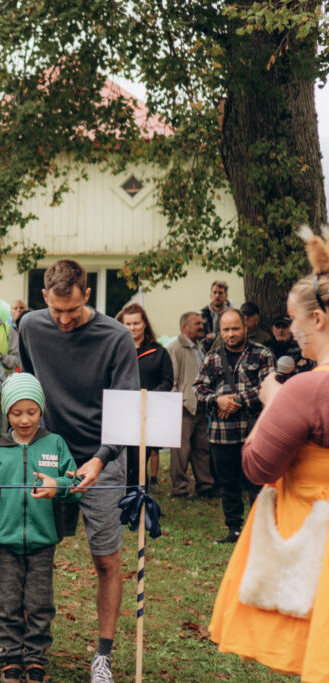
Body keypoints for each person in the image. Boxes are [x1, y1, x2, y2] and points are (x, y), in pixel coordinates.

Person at [208, 226, 329, 682]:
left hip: (315, 538)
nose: (291, 330)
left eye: (294, 319)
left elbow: (257, 466)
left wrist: (274, 404)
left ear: (318, 319)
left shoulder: (306, 388)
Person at [12, 258, 139, 683]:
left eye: (73, 310)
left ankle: (102, 654)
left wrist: (100, 459)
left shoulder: (117, 337)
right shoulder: (30, 326)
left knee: (105, 559)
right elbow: (27, 382)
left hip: (104, 459)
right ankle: (23, 648)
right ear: (44, 297)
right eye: (56, 310)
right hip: (51, 455)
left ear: (87, 295)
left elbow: (125, 412)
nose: (64, 320)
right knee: (32, 551)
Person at [0, 373, 80, 683]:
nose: (24, 419)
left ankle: (35, 657)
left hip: (43, 540)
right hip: (6, 541)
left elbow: (74, 481)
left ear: (42, 410)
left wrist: (58, 485)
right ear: (6, 412)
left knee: (39, 602)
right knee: (8, 602)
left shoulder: (55, 444)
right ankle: (10, 656)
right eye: (16, 412)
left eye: (31, 412)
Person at [194, 308, 274, 543]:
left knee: (257, 483)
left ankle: (260, 530)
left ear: (245, 327)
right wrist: (216, 400)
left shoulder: (263, 354)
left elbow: (270, 386)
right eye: (226, 329)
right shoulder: (212, 357)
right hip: (222, 434)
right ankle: (234, 530)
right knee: (228, 484)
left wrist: (238, 401)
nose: (231, 334)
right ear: (220, 330)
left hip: (254, 432)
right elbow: (198, 388)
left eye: (235, 328)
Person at [115, 303, 173, 491]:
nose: (132, 328)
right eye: (128, 324)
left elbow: (167, 380)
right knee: (121, 463)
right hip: (121, 416)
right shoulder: (116, 351)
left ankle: (139, 503)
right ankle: (122, 503)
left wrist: (150, 397)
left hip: (147, 416)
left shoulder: (158, 352)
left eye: (136, 323)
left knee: (138, 462)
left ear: (145, 324)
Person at [167, 311, 216, 499]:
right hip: (183, 408)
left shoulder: (200, 348)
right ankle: (179, 489)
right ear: (184, 327)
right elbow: (172, 380)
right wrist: (176, 405)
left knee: (202, 450)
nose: (202, 326)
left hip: (202, 407)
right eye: (197, 323)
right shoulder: (175, 348)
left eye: (201, 323)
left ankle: (205, 486)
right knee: (180, 451)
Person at [201, 280, 232, 351]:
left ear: (226, 296)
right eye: (214, 292)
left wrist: (213, 335)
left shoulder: (231, 314)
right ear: (210, 295)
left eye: (220, 293)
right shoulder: (202, 314)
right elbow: (202, 337)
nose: (217, 295)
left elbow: (231, 333)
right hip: (207, 352)